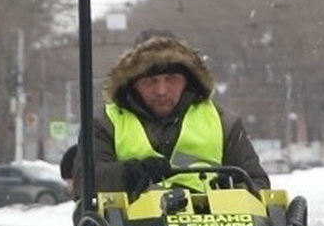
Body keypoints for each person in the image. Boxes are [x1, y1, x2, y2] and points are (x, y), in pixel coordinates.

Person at [91, 30, 269, 197]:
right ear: (132, 83)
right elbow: (87, 181)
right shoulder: (105, 123)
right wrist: (130, 174)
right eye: (150, 81)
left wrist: (231, 189)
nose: (161, 90)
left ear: (188, 80)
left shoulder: (223, 122)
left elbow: (257, 183)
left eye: (171, 79)